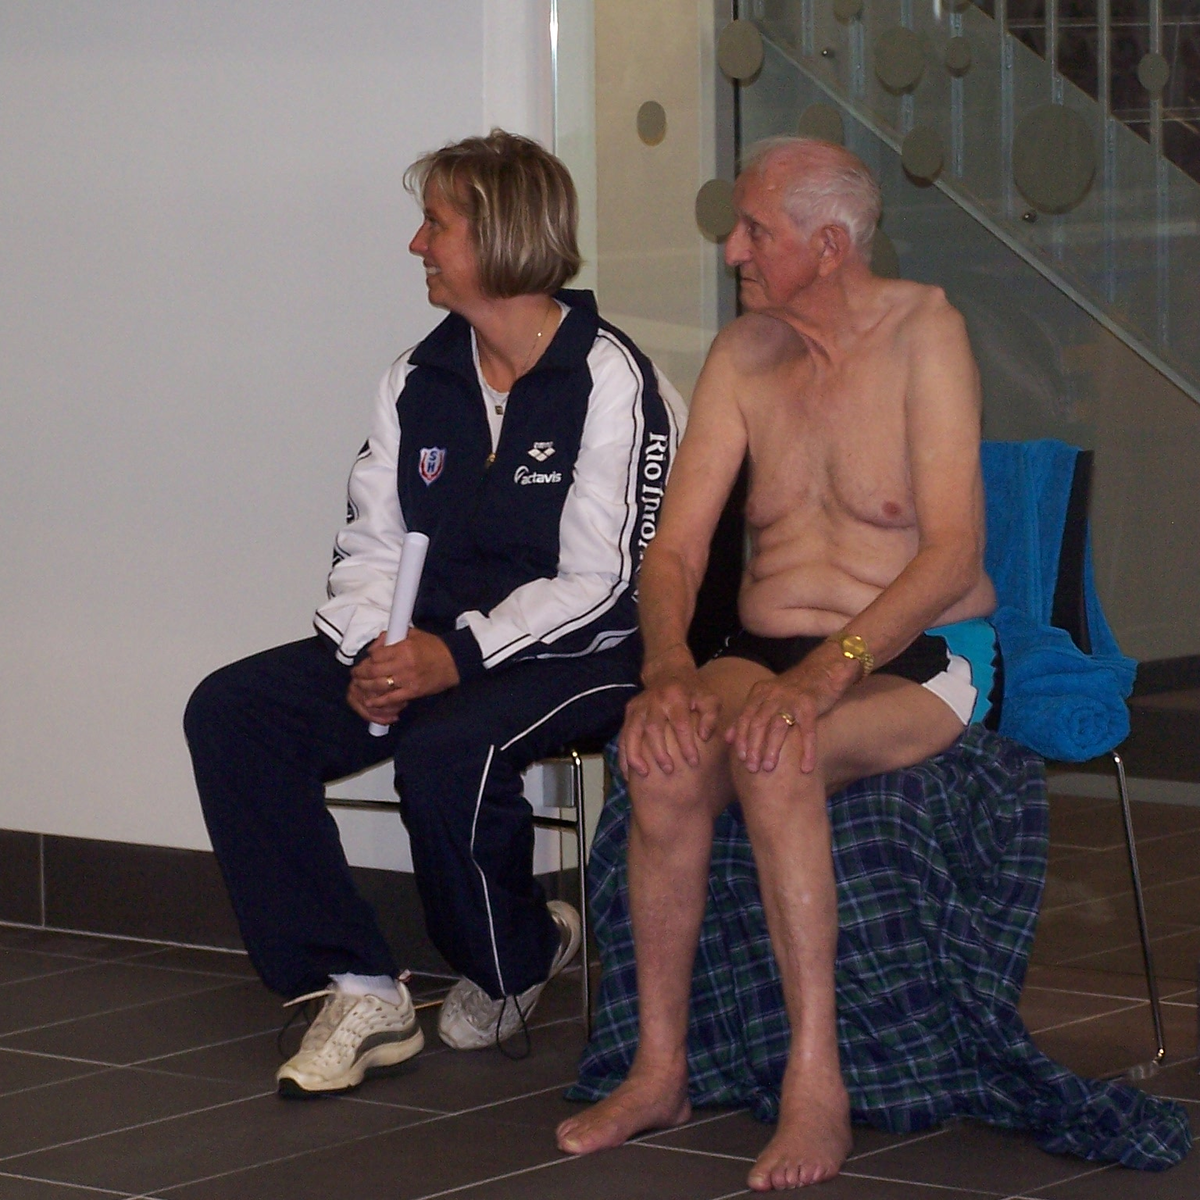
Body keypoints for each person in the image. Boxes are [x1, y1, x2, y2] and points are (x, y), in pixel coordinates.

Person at [184, 130, 685, 1097]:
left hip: (582, 652)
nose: (418, 245)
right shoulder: (417, 377)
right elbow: (371, 543)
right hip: (428, 640)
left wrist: (453, 656)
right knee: (234, 712)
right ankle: (358, 984)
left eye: (435, 225)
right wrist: (374, 647)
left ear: (499, 236)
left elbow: (602, 580)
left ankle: (515, 956)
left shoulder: (614, 380)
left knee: (447, 746)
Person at [555, 137, 1000, 1190]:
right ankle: (658, 1070)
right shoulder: (744, 356)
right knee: (663, 757)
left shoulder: (927, 334)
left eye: (755, 231)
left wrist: (823, 677)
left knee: (774, 753)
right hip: (758, 648)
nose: (733, 252)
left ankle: (816, 1086)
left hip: (915, 651)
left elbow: (951, 556)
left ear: (830, 245)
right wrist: (668, 667)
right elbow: (676, 552)